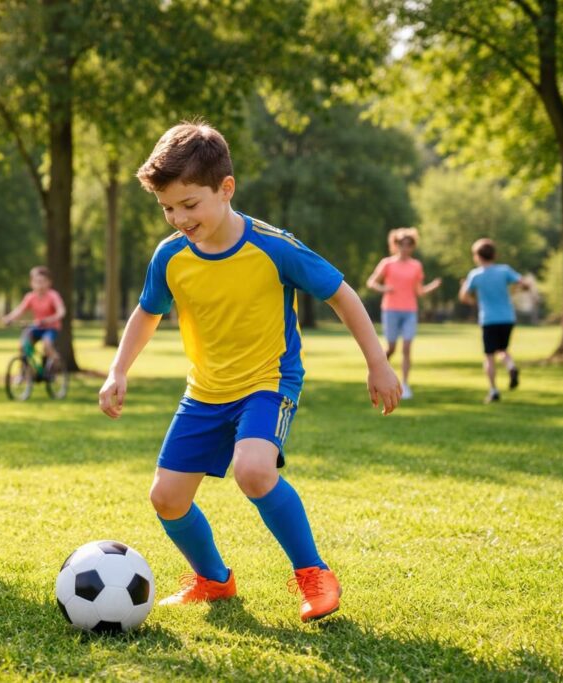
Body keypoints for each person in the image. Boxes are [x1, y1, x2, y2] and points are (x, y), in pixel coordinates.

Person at [98, 122, 401, 623]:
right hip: (204, 391)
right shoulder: (170, 255)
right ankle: (213, 580)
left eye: (189, 205)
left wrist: (378, 363)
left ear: (226, 189)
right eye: (168, 208)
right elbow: (147, 312)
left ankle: (315, 575)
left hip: (268, 382)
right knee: (167, 499)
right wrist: (118, 370)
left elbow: (341, 293)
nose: (178, 218)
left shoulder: (273, 246)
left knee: (255, 470)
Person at [365, 228, 441, 400]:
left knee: (407, 347)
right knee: (391, 348)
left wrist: (433, 287)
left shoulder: (416, 266)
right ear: (396, 244)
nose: (405, 247)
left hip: (410, 311)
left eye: (409, 244)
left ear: (412, 246)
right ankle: (377, 375)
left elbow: (419, 291)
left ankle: (405, 385)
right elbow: (371, 282)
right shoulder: (387, 263)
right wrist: (385, 288)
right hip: (391, 309)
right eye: (401, 244)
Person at [459, 238, 532, 404]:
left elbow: (463, 296)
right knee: (503, 349)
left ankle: (493, 390)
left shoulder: (475, 275)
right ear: (494, 254)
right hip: (507, 317)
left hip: (489, 319)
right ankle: (511, 366)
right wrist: (517, 287)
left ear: (477, 256)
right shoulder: (504, 271)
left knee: (489, 356)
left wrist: (471, 297)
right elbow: (525, 284)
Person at [2, 266, 66, 363]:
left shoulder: (53, 295)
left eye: (43, 281)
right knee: (23, 346)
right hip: (37, 327)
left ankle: (56, 363)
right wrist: (9, 318)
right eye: (37, 281)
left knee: (47, 344)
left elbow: (61, 311)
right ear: (31, 283)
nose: (40, 285)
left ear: (49, 282)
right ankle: (26, 372)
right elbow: (20, 310)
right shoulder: (30, 297)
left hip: (51, 328)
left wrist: (50, 319)